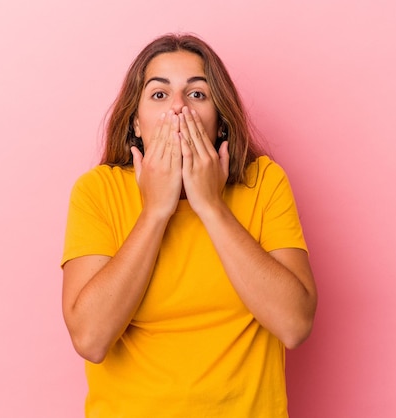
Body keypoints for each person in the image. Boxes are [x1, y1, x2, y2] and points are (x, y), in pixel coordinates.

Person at [61, 33, 317, 417]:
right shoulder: (97, 191)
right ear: (135, 122)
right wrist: (155, 212)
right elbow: (91, 339)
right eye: (159, 95)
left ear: (221, 123)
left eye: (197, 94)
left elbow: (295, 325)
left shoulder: (263, 183)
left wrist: (211, 206)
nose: (178, 108)